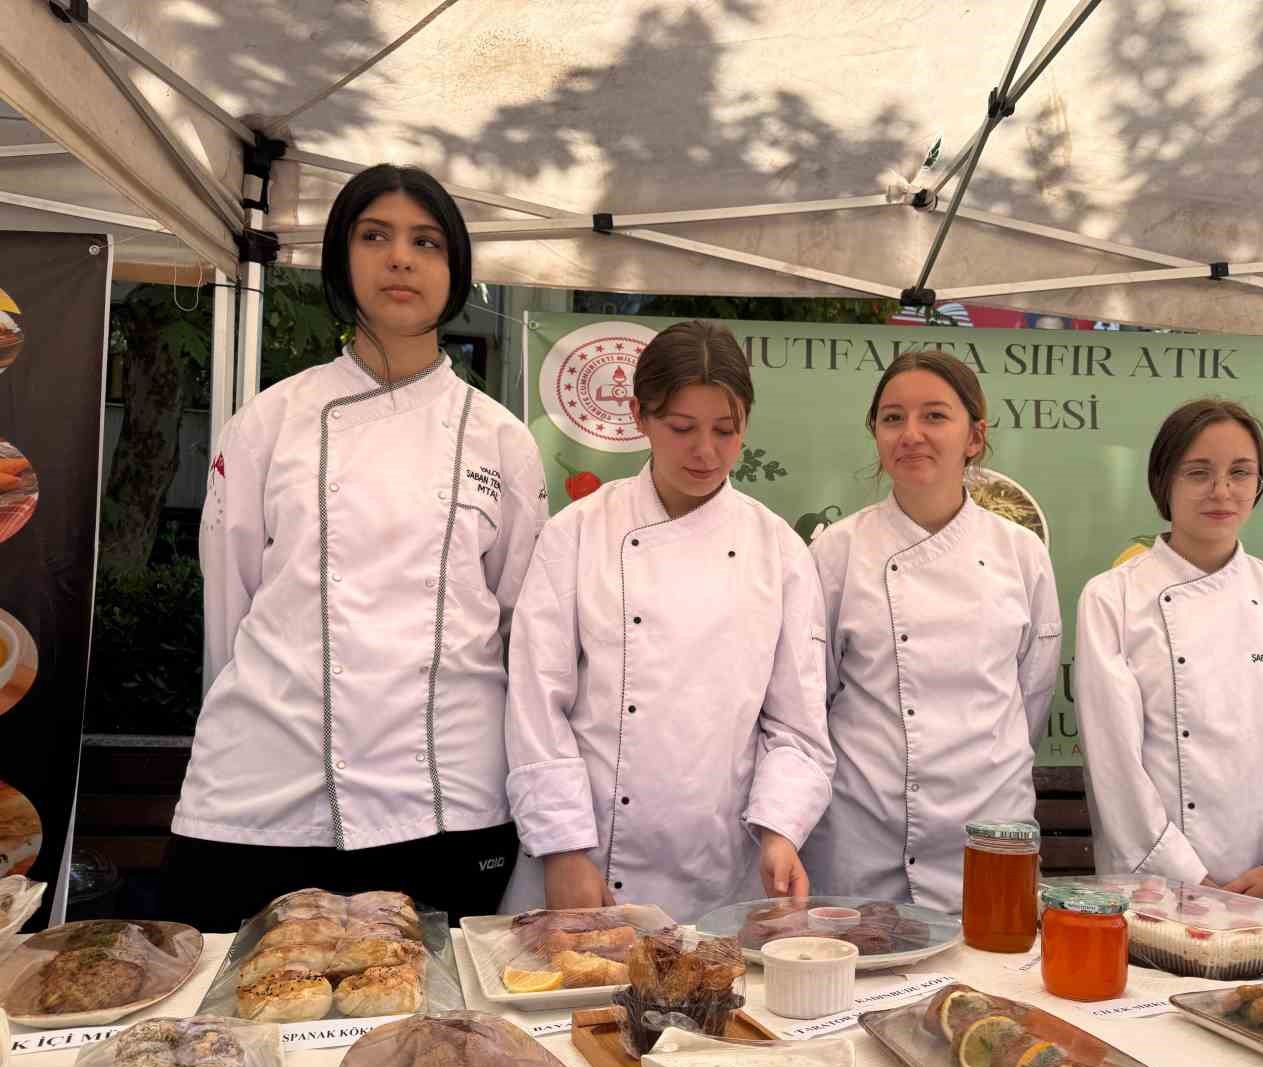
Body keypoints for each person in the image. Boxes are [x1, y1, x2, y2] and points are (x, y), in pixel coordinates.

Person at [166, 164, 548, 929]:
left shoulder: (501, 440)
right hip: (266, 795)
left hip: (448, 801)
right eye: (375, 237)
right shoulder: (271, 422)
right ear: (342, 258)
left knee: (442, 1040)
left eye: (425, 241)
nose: (399, 259)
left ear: (456, 270)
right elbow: (230, 610)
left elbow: (516, 628)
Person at [502, 320, 833, 921]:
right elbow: (535, 702)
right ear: (640, 416)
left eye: (724, 431)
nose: (704, 452)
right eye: (682, 428)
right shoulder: (578, 533)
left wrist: (782, 830)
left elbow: (797, 728)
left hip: (721, 867)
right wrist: (563, 848)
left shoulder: (779, 550)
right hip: (592, 859)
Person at [802, 351, 1061, 913]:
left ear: (975, 436)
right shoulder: (837, 550)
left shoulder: (1021, 553)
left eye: (935, 416)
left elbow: (1030, 696)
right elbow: (811, 697)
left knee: (991, 995)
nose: (911, 434)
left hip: (991, 833)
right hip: (860, 834)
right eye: (892, 418)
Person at [1076, 399, 1263, 896]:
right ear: (1164, 482)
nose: (1221, 491)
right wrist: (1190, 878)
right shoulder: (1112, 598)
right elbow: (1115, 765)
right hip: (1153, 888)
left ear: (1259, 484)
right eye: (1198, 472)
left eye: (1240, 473)